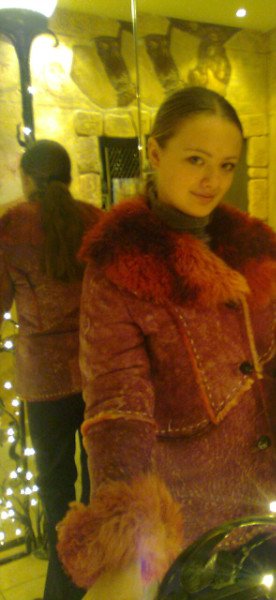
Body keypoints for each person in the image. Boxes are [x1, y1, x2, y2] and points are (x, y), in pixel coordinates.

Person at [56, 87, 276, 600]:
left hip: (269, 504)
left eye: (227, 165)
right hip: (190, 526)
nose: (213, 180)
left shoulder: (251, 244)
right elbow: (118, 406)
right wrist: (127, 531)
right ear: (155, 152)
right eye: (196, 160)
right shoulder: (120, 267)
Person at [0, 140, 102, 600]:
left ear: (27, 178)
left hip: (43, 380)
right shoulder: (96, 220)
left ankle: (64, 590)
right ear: (68, 176)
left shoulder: (10, 228)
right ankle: (95, 580)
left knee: (56, 491)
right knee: (98, 483)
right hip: (98, 368)